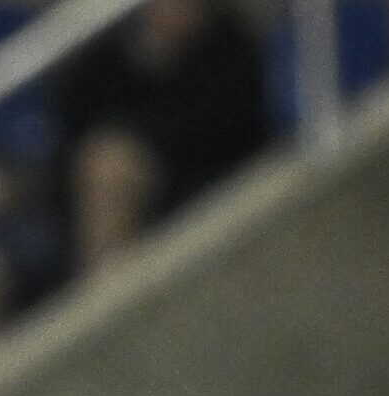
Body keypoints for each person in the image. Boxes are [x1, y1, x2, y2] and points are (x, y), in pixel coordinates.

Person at [56, 0, 271, 277]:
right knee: (104, 161)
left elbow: (229, 130)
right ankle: (105, 294)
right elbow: (72, 134)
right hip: (145, 188)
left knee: (112, 166)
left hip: (213, 179)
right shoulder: (106, 58)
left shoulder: (232, 47)